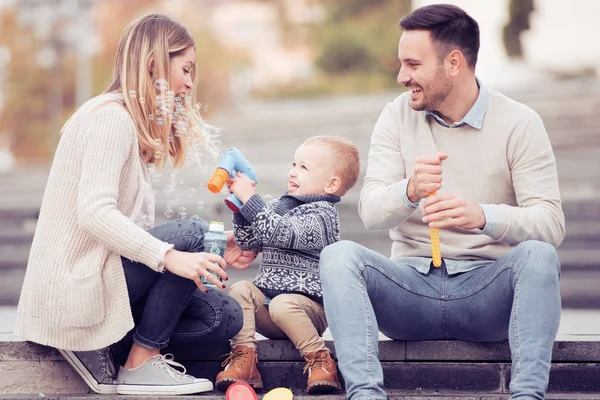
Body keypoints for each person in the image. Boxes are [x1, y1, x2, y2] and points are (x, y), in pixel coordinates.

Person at [319, 4, 565, 400]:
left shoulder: (520, 123)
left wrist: (482, 216)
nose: (402, 77)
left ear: (454, 62)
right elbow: (370, 211)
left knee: (538, 256)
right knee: (338, 256)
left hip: (486, 293)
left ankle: (526, 396)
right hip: (410, 291)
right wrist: (410, 190)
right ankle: (364, 395)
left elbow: (550, 223)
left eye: (413, 64)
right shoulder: (396, 116)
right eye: (402, 64)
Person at [13, 14, 257, 396]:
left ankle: (118, 348)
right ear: (153, 64)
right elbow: (94, 212)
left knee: (223, 315)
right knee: (190, 230)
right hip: (74, 287)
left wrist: (216, 240)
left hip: (104, 282)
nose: (191, 84)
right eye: (186, 69)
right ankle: (138, 361)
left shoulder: (127, 127)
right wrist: (170, 254)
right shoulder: (111, 119)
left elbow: (127, 238)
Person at [214, 136, 361, 394]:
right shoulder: (279, 208)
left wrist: (252, 200)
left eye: (304, 168)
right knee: (240, 289)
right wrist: (239, 208)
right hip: (271, 311)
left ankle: (320, 360)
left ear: (331, 184)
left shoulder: (324, 216)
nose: (293, 172)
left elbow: (282, 233)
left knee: (284, 303)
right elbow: (249, 240)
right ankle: (245, 358)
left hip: (308, 312)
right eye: (294, 164)